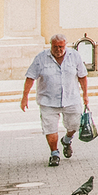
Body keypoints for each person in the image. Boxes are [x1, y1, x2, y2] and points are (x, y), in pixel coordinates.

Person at [21, 34, 89, 166]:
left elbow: (82, 76)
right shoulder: (41, 58)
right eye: (55, 47)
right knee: (50, 129)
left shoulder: (74, 56)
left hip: (71, 99)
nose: (58, 49)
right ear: (51, 45)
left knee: (75, 124)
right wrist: (25, 97)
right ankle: (54, 153)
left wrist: (85, 95)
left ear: (66, 45)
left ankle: (67, 140)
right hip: (48, 101)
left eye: (61, 46)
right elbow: (30, 77)